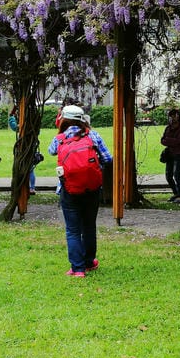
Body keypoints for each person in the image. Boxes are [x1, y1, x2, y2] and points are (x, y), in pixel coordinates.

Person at [49, 104, 112, 277]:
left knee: (73, 230)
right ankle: (89, 262)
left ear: (63, 120)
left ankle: (77, 269)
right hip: (92, 188)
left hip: (68, 189)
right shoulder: (93, 135)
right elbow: (108, 158)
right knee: (89, 226)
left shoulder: (60, 138)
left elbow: (51, 151)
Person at [160, 108, 180, 203]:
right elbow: (162, 140)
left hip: (179, 155)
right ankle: (176, 193)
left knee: (176, 175)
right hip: (170, 155)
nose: (173, 118)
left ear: (178, 116)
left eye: (174, 115)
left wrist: (168, 140)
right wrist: (170, 141)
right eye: (171, 116)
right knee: (168, 176)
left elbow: (179, 141)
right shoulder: (168, 128)